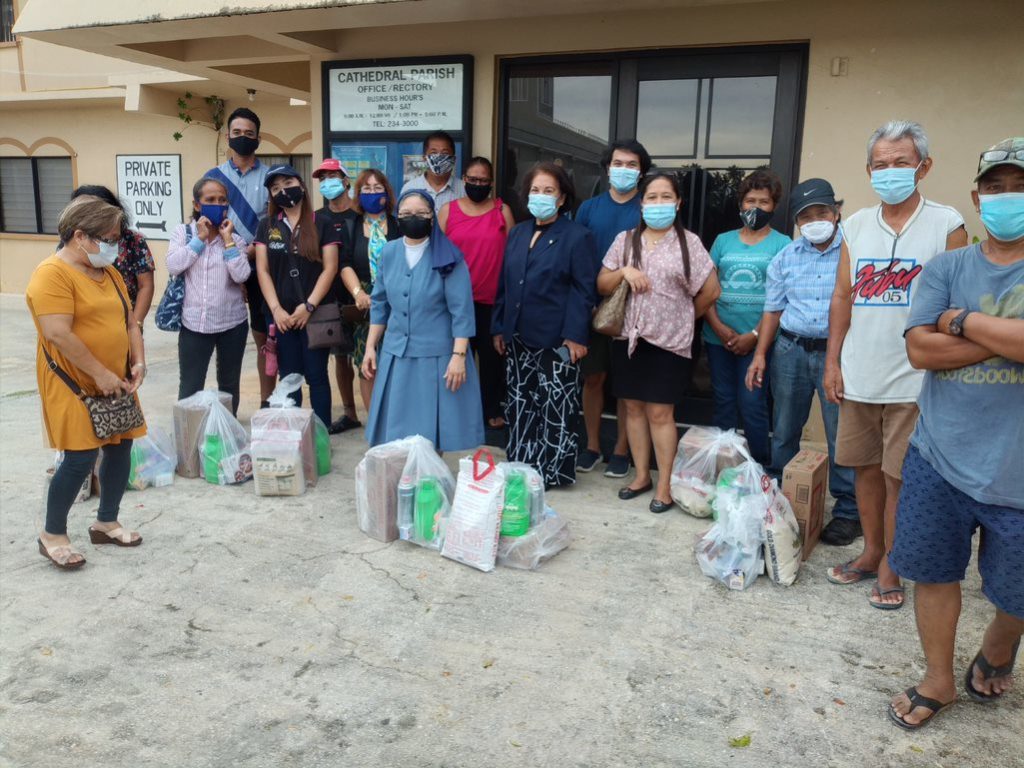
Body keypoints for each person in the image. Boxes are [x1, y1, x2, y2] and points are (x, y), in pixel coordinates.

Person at [886, 138, 1024, 730]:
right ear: (976, 195)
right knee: (934, 572)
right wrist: (1006, 336)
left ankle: (998, 646)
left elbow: (942, 338)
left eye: (1018, 185)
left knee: (1017, 594)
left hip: (1017, 470)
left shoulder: (955, 291)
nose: (1006, 197)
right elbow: (919, 348)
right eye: (995, 187)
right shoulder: (948, 266)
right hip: (938, 456)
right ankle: (938, 679)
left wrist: (961, 321)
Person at [824, 120, 968, 609]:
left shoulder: (947, 224)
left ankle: (892, 566)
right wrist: (833, 362)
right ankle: (871, 552)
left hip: (915, 380)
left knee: (898, 478)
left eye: (901, 163)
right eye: (881, 165)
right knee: (864, 470)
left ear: (922, 167)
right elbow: (843, 295)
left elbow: (956, 304)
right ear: (869, 170)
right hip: (860, 374)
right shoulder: (855, 226)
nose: (890, 172)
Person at [26, 197, 148, 569]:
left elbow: (130, 321)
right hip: (73, 381)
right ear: (80, 236)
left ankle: (106, 522)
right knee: (79, 457)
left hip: (115, 378)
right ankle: (53, 534)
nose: (114, 245)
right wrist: (101, 375)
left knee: (121, 446)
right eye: (108, 238)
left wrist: (137, 360)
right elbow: (58, 334)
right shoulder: (52, 275)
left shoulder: (107, 272)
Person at [596, 173, 720, 512]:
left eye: (666, 197)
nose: (658, 203)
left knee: (661, 413)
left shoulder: (688, 243)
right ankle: (640, 476)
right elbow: (603, 282)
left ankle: (664, 484)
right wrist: (624, 272)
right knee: (633, 408)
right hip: (629, 339)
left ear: (678, 203)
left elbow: (711, 291)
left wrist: (682, 318)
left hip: (670, 344)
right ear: (642, 203)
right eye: (652, 197)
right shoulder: (626, 240)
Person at [745, 179, 858, 537]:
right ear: (796, 222)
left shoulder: (854, 252)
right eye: (805, 216)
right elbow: (773, 310)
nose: (814, 221)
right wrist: (760, 355)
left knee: (840, 434)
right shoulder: (786, 257)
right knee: (785, 428)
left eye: (821, 212)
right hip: (790, 351)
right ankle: (782, 494)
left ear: (836, 212)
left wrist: (836, 360)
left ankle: (848, 509)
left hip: (836, 354)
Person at [492, 162, 598, 487]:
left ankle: (551, 474)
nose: (541, 196)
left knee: (555, 406)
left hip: (558, 340)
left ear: (563, 197)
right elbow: (505, 283)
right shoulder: (518, 232)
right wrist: (500, 326)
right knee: (522, 404)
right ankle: (522, 467)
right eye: (535, 190)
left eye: (549, 190)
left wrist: (576, 336)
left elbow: (584, 290)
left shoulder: (577, 236)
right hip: (519, 337)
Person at [362, 190, 484, 451]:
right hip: (396, 354)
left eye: (420, 213)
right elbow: (380, 303)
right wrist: (371, 347)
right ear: (397, 217)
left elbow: (461, 311)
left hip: (437, 357)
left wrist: (459, 356)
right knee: (397, 431)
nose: (412, 218)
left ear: (432, 218)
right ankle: (406, 478)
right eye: (405, 214)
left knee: (432, 430)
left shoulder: (449, 256)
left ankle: (430, 479)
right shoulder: (389, 252)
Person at [575, 139, 652, 478]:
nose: (624, 170)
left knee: (627, 385)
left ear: (641, 172)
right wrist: (586, 303)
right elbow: (577, 260)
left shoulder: (646, 208)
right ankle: (592, 446)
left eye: (631, 164)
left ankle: (621, 450)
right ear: (607, 168)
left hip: (636, 308)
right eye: (618, 163)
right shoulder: (589, 209)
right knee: (593, 378)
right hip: (594, 306)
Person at [703, 170, 791, 466]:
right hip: (718, 338)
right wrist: (718, 326)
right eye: (749, 200)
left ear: (774, 206)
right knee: (724, 403)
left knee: (752, 404)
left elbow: (783, 300)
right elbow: (706, 289)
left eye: (763, 201)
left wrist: (753, 336)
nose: (756, 207)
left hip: (760, 342)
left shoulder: (783, 244)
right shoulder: (722, 241)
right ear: (740, 204)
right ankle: (724, 466)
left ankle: (760, 468)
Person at [253, 165, 339, 427]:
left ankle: (321, 435)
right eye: (275, 188)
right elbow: (263, 270)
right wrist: (276, 309)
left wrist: (309, 305)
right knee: (289, 376)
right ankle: (295, 435)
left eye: (288, 183)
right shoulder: (267, 225)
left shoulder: (322, 223)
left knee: (317, 376)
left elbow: (330, 268)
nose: (283, 191)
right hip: (282, 317)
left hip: (314, 313)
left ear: (301, 185)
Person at [438, 156, 515, 430]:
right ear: (464, 180)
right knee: (457, 360)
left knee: (493, 361)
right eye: (472, 180)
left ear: (491, 183)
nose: (478, 184)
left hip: (491, 302)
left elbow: (513, 257)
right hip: (455, 303)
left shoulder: (501, 210)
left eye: (483, 180)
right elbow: (436, 254)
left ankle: (492, 409)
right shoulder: (448, 210)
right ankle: (457, 414)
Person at [167, 176, 250, 415]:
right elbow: (174, 265)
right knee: (191, 386)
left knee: (229, 384)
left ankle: (227, 434)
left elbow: (242, 275)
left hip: (232, 324)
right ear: (197, 205)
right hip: (195, 325)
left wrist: (227, 242)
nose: (217, 204)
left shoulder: (235, 239)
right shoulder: (183, 233)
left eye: (222, 200)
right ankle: (189, 439)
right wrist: (200, 239)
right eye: (210, 199)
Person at [207, 107, 273, 406]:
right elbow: (204, 224)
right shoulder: (213, 178)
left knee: (265, 341)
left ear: (258, 138)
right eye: (237, 133)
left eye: (249, 134)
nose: (243, 138)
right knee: (227, 341)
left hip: (260, 267)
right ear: (227, 137)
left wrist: (251, 252)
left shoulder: (272, 177)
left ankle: (266, 403)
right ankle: (227, 409)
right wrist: (232, 257)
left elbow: (275, 223)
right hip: (222, 267)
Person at [338, 168, 401, 414]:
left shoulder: (398, 225)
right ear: (358, 194)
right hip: (365, 303)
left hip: (396, 299)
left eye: (378, 188)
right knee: (367, 364)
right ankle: (375, 425)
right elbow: (344, 264)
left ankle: (394, 420)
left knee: (395, 363)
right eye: (367, 188)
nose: (373, 193)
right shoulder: (350, 226)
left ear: (387, 192)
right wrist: (358, 293)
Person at [312, 158, 360, 434]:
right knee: (340, 358)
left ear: (345, 180)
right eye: (322, 178)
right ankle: (350, 413)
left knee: (369, 356)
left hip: (362, 295)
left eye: (333, 176)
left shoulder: (360, 215)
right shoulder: (316, 219)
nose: (327, 182)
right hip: (332, 299)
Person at [68, 185, 155, 327]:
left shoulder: (133, 241)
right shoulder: (72, 243)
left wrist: (135, 325)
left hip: (126, 321)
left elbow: (145, 285)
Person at [400, 130, 465, 210]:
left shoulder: (464, 190)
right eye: (433, 153)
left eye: (444, 153)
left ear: (453, 159)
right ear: (424, 158)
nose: (439, 157)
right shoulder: (410, 189)